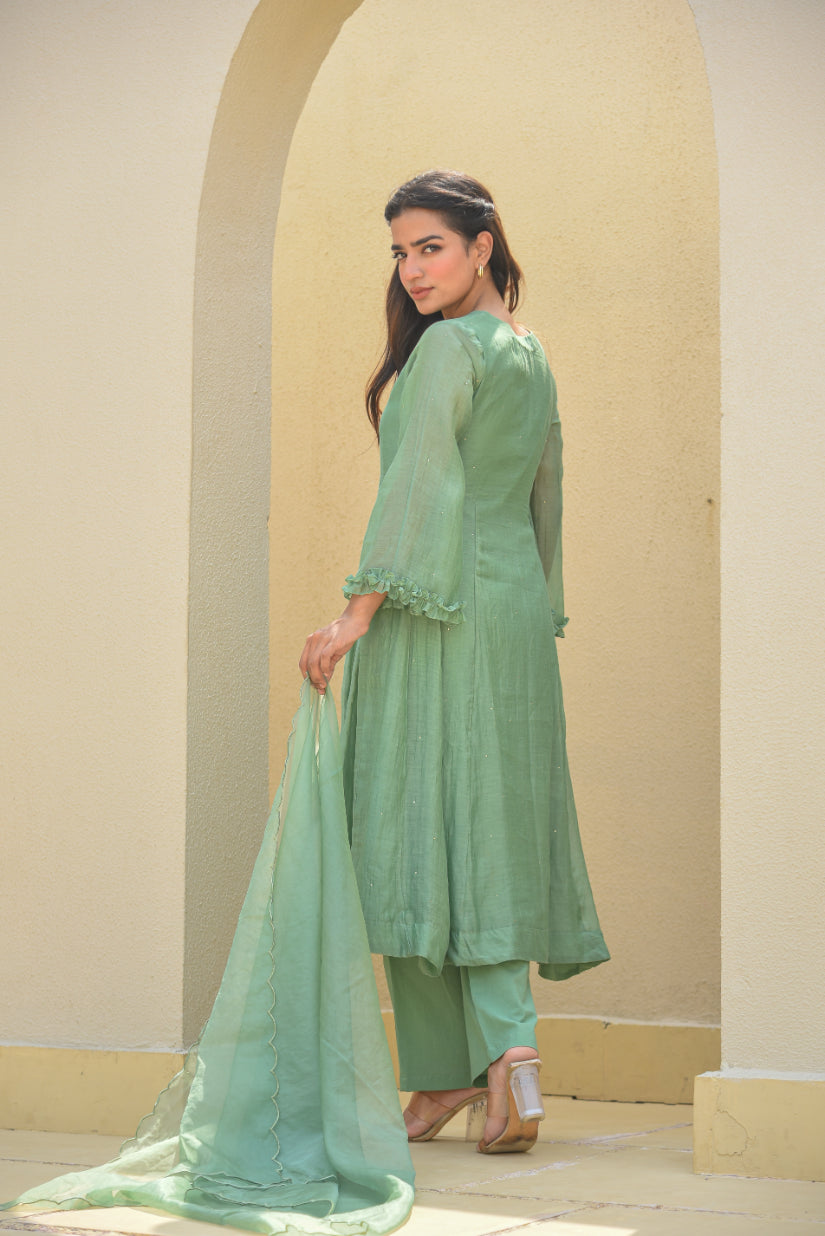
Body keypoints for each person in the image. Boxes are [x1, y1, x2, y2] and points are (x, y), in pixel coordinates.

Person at [300, 170, 608, 1155]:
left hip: (434, 614)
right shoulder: (531, 352)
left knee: (414, 832)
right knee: (484, 827)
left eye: (431, 245)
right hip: (510, 612)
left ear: (483, 244)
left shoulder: (444, 353)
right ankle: (455, 1079)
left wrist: (355, 615)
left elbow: (418, 489)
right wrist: (536, 602)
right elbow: (546, 493)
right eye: (400, 251)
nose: (413, 267)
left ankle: (501, 1057)